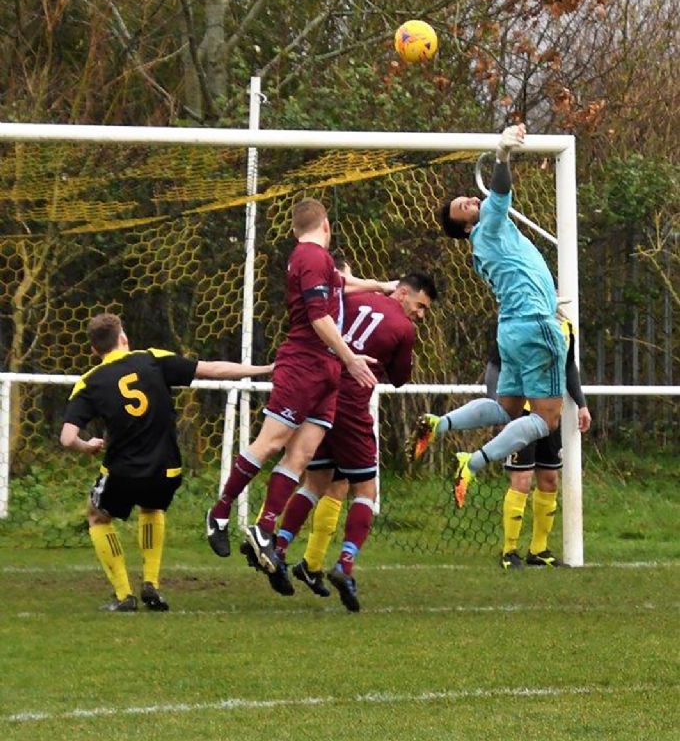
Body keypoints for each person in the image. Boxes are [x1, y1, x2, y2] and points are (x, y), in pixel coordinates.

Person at [205, 197, 396, 572]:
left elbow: (343, 285)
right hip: (305, 364)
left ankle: (264, 526)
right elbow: (318, 317)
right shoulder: (310, 257)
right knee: (272, 442)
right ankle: (220, 512)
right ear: (325, 224)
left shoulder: (320, 262)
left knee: (303, 454)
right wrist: (349, 357)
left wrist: (382, 285)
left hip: (325, 371)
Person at [60, 312, 274, 612]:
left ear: (95, 350)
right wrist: (266, 368)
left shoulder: (89, 382)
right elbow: (211, 369)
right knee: (152, 508)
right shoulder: (153, 359)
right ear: (124, 337)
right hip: (166, 468)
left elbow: (67, 438)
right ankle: (152, 585)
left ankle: (124, 596)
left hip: (122, 470)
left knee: (97, 516)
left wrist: (88, 446)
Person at [408, 123, 567, 510]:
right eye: (463, 205)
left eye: (465, 197)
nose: (469, 200)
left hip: (513, 327)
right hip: (533, 325)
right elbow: (500, 190)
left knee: (507, 408)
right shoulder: (489, 228)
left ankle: (439, 423)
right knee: (546, 420)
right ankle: (473, 462)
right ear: (466, 225)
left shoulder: (484, 243)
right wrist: (502, 154)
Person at [265, 272, 438, 611]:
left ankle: (280, 549)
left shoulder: (350, 298)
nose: (420, 315)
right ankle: (344, 565)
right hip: (351, 406)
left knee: (315, 480)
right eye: (420, 306)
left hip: (319, 395)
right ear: (402, 293)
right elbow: (401, 379)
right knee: (366, 490)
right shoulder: (403, 329)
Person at [485, 316, 591, 569]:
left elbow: (568, 367)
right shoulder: (516, 324)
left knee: (550, 478)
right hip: (521, 414)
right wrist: (498, 409)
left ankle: (539, 550)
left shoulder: (565, 327)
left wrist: (582, 404)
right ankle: (509, 550)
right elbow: (494, 367)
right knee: (521, 479)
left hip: (550, 413)